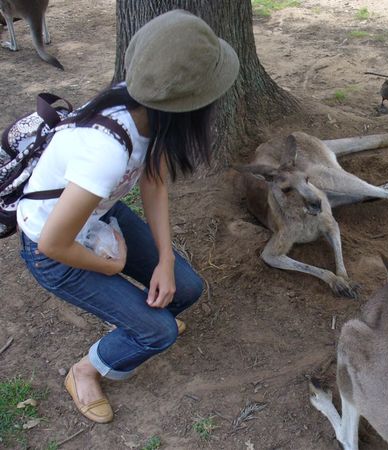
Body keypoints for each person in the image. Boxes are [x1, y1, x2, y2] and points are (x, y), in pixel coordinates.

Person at [17, 9, 239, 423]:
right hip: (53, 251)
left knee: (187, 288)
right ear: (188, 105)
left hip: (96, 220)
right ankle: (85, 370)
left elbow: (152, 180)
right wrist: (113, 264)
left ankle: (142, 326)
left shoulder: (145, 104)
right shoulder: (105, 153)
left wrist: (167, 260)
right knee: (161, 331)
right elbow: (52, 244)